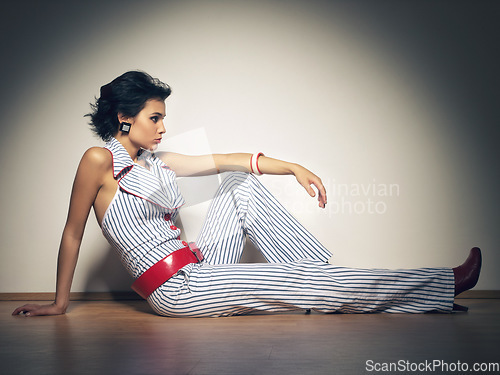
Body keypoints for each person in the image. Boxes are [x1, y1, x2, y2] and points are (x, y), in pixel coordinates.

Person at [12, 71, 481, 318]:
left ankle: (331, 286)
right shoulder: (99, 161)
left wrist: (293, 167)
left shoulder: (158, 162)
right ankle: (441, 284)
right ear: (123, 118)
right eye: (155, 117)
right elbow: (73, 234)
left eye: (162, 117)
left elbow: (228, 161)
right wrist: (59, 303)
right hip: (176, 291)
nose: (162, 126)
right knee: (288, 282)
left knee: (239, 184)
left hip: (198, 266)